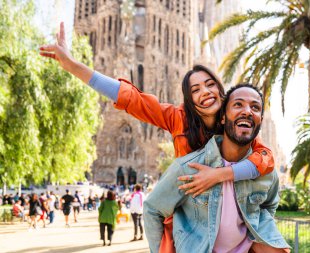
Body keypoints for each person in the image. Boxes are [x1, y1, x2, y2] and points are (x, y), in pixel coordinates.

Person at [39, 22, 274, 253]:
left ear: (221, 91)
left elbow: (265, 158)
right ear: (189, 100)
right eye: (195, 90)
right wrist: (71, 65)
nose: (204, 92)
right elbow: (132, 99)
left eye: (210, 85)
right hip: (193, 226)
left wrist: (220, 174)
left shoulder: (235, 123)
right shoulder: (178, 119)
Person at [144, 84, 291, 253]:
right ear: (222, 117)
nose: (247, 111)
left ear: (260, 121)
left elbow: (269, 206)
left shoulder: (265, 172)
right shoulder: (190, 168)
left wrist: (257, 236)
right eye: (238, 104)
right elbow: (152, 209)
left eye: (255, 107)